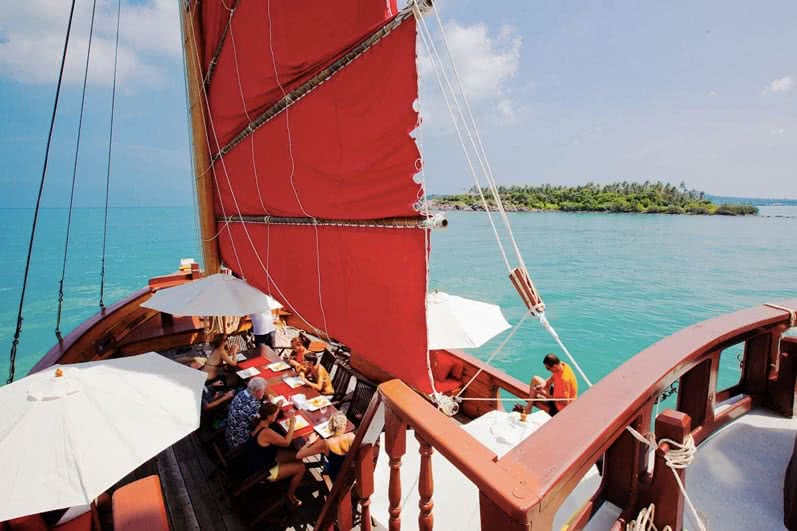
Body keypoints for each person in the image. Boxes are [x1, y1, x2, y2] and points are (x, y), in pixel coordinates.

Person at [246, 402, 306, 508]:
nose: (276, 415)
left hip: (260, 457)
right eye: (275, 414)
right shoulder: (267, 432)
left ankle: (291, 478)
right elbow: (286, 442)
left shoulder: (259, 422)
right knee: (301, 467)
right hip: (263, 471)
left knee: (298, 455)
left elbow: (271, 414)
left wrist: (277, 407)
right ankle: (290, 496)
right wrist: (292, 423)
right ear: (269, 416)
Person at [296, 412, 354, 481]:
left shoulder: (325, 444)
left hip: (334, 477)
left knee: (328, 462)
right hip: (349, 476)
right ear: (345, 425)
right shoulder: (352, 436)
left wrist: (309, 442)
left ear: (330, 426)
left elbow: (298, 455)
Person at [225, 377, 268, 449]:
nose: (264, 393)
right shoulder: (253, 405)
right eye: (263, 391)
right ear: (258, 392)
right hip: (238, 440)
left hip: (229, 432)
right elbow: (257, 423)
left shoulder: (242, 392)